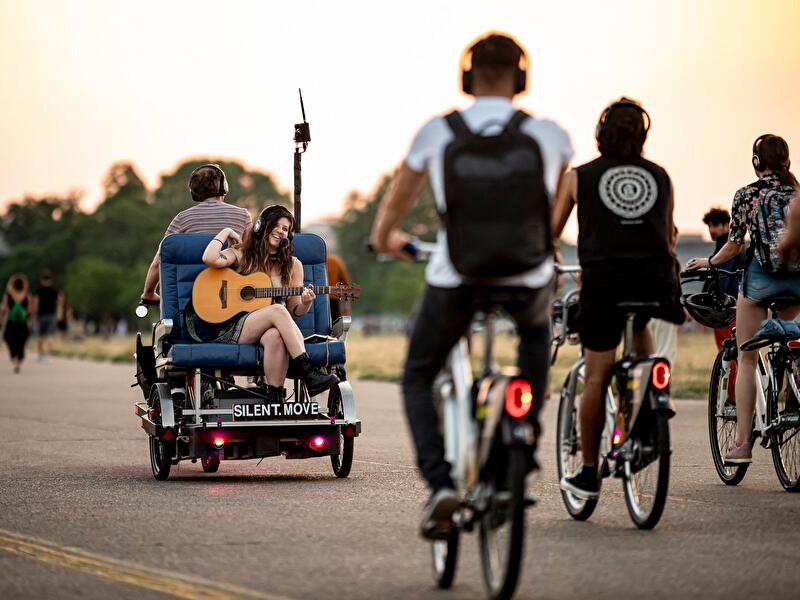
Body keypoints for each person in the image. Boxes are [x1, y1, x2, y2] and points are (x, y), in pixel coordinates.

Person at [370, 32, 573, 536]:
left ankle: (441, 485)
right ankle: (521, 442)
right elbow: (548, 212)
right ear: (521, 78)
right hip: (526, 277)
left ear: (466, 76)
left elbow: (397, 204)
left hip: (456, 275)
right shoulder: (551, 136)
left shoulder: (436, 133)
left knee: (418, 372)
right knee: (533, 339)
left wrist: (385, 239)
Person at [551, 97, 684, 499]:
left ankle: (589, 473)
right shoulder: (660, 176)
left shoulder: (578, 177)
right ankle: (646, 410)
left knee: (596, 376)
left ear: (600, 134)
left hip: (604, 283)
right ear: (643, 136)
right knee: (641, 327)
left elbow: (550, 231)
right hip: (654, 281)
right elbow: (670, 235)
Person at [687, 134, 800, 464]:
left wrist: (709, 262)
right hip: (797, 282)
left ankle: (742, 445)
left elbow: (736, 244)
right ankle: (790, 368)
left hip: (762, 282)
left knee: (746, 355)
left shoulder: (747, 195)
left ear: (756, 163)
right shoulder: (797, 193)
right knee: (790, 337)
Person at [200, 205, 338, 401]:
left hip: (269, 328)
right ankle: (308, 372)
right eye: (277, 225)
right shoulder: (242, 255)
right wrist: (226, 232)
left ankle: (274, 396)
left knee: (275, 335)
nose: (280, 231)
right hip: (236, 327)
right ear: (261, 226)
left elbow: (294, 311)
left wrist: (306, 303)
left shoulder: (293, 265)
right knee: (276, 310)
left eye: (286, 229)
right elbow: (209, 258)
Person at [141, 164, 252, 304]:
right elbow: (251, 258)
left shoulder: (182, 218)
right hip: (232, 299)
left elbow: (159, 261)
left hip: (189, 298)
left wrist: (148, 293)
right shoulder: (243, 216)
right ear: (223, 187)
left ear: (194, 191)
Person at [702, 207, 745, 350]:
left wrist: (712, 300)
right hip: (739, 305)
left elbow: (723, 277)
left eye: (715, 225)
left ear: (727, 225)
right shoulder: (733, 245)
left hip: (727, 309)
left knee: (727, 352)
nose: (711, 229)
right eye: (709, 226)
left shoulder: (726, 247)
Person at [1, 274, 33, 374]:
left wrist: (1, 320)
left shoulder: (8, 295)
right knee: (21, 343)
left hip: (12, 323)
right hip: (22, 323)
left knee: (9, 339)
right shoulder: (27, 296)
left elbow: (4, 309)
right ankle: (18, 362)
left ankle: (13, 357)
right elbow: (29, 310)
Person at [33, 271, 63, 361]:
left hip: (41, 315)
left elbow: (36, 304)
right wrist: (59, 314)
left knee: (40, 336)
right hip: (52, 315)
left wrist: (34, 314)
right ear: (51, 280)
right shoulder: (55, 291)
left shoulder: (38, 291)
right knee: (50, 335)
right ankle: (47, 355)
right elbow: (59, 303)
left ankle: (40, 354)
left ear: (42, 280)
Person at [326, 254, 352, 323]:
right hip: (333, 299)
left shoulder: (314, 262)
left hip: (317, 298)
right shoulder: (336, 262)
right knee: (335, 326)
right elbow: (346, 284)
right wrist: (346, 305)